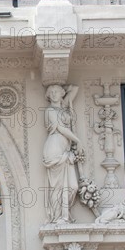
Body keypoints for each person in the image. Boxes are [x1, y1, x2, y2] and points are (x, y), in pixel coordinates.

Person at [43, 84, 80, 223]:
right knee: (57, 186)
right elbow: (61, 128)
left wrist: (70, 87)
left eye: (56, 91)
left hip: (65, 150)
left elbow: (75, 90)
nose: (53, 94)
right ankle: (58, 217)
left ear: (62, 94)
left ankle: (64, 214)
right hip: (54, 148)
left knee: (73, 187)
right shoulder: (49, 111)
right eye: (50, 92)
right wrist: (78, 141)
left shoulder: (63, 107)